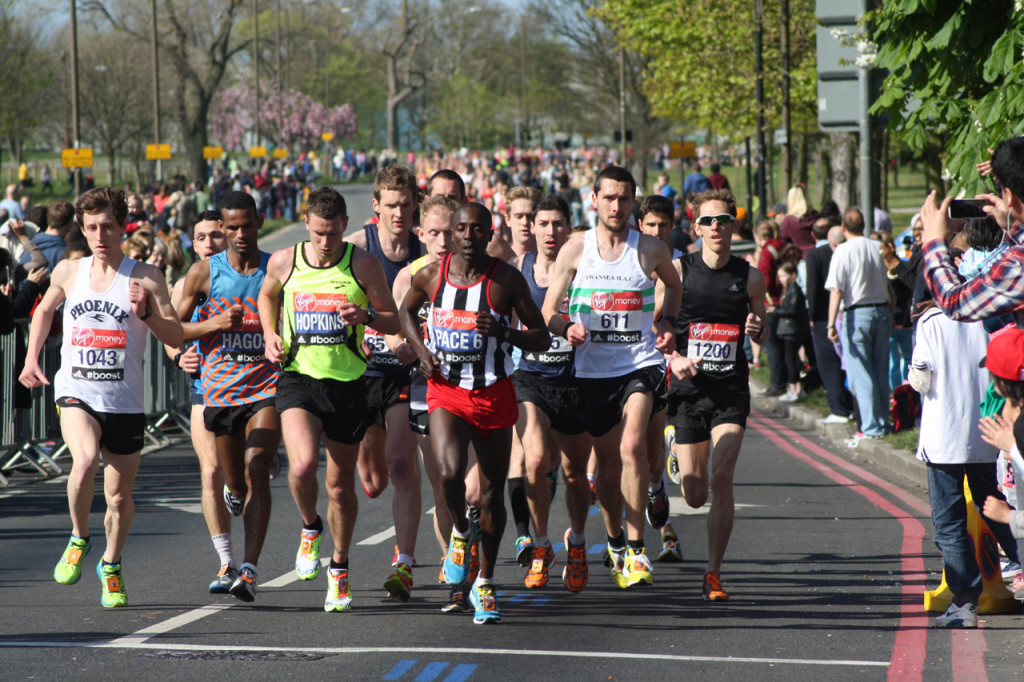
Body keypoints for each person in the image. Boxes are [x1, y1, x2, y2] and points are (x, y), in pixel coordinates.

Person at [19, 186, 183, 607]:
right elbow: (43, 311)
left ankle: (110, 563)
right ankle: (79, 535)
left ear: (123, 226)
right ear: (82, 228)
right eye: (91, 227)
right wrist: (31, 359)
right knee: (85, 460)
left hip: (125, 401)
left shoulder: (145, 276)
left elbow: (171, 331)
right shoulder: (70, 272)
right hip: (77, 390)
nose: (99, 235)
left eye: (107, 225)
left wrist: (168, 340)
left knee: (118, 497)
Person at [399, 202, 550, 624]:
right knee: (448, 474)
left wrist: (503, 330)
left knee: (490, 494)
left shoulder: (506, 280)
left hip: (493, 392)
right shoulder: (431, 275)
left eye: (476, 230)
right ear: (451, 232)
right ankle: (461, 536)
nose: (468, 236)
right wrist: (421, 350)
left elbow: (540, 337)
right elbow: (405, 313)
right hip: (446, 391)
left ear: (488, 233)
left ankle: (484, 581)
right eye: (460, 229)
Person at [258, 186, 400, 612]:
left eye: (332, 235)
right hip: (299, 377)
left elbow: (393, 316)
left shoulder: (363, 264)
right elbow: (267, 295)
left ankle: (339, 566)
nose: (324, 244)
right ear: (307, 225)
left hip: (348, 382)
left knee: (339, 487)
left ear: (344, 227)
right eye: (318, 234)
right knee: (301, 466)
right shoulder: (286, 260)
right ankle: (309, 527)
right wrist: (269, 333)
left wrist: (367, 316)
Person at [542, 165, 681, 589]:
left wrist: (668, 322)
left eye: (624, 198)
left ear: (633, 202)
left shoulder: (651, 249)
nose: (617, 206)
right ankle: (616, 538)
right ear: (595, 200)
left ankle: (637, 552)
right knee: (605, 471)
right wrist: (566, 327)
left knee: (635, 445)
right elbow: (548, 311)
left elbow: (673, 286)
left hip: (638, 363)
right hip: (592, 371)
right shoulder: (575, 249)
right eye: (609, 198)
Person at [176, 191, 280, 602]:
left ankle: (249, 570)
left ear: (259, 223)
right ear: (222, 227)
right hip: (219, 391)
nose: (240, 234)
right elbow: (174, 327)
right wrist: (208, 328)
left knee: (258, 469)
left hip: (266, 386)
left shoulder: (277, 268)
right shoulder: (204, 274)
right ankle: (234, 495)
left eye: (247, 225)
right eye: (231, 227)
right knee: (234, 482)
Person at [666, 188, 769, 601]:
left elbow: (759, 322)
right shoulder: (677, 271)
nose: (716, 228)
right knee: (692, 495)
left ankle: (712, 573)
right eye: (708, 221)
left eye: (723, 221)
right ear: (696, 228)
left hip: (729, 389)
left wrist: (756, 331)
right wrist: (674, 356)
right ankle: (675, 446)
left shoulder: (750, 276)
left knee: (721, 478)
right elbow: (657, 327)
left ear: (733, 226)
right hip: (688, 389)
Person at [345, 164, 426, 597]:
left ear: (416, 206)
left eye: (406, 204)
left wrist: (415, 341)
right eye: (391, 205)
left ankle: (405, 562)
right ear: (375, 206)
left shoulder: (425, 251)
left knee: (400, 464)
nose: (399, 213)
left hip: (404, 374)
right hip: (360, 372)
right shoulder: (357, 249)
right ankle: (366, 461)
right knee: (373, 480)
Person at [510, 195, 592, 591]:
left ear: (568, 228)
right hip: (531, 378)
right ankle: (541, 546)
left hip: (576, 379)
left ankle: (575, 542)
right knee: (536, 457)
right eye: (543, 223)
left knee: (576, 474)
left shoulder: (585, 270)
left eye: (558, 224)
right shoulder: (517, 270)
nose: (549, 231)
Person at [164, 211, 233, 592]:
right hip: (205, 386)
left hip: (251, 389)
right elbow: (168, 330)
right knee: (210, 473)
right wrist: (178, 355)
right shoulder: (189, 280)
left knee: (244, 475)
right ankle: (226, 563)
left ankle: (241, 483)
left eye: (215, 236)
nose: (209, 243)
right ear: (194, 242)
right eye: (201, 237)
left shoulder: (253, 274)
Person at [826, 207, 893, 444]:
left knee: (861, 373)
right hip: (882, 310)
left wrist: (830, 323)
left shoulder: (842, 251)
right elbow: (889, 283)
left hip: (857, 314)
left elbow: (837, 289)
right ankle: (883, 421)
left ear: (843, 227)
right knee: (881, 369)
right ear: (863, 225)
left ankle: (871, 427)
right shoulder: (877, 246)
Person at [805, 222, 854, 423]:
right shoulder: (852, 251)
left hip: (826, 317)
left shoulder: (815, 255)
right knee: (848, 363)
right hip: (848, 313)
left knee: (829, 364)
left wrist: (812, 316)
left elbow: (813, 288)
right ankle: (853, 407)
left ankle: (838, 409)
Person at [775, 262, 810, 401]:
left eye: (783, 275)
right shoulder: (789, 289)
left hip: (792, 329)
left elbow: (792, 310)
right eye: (780, 276)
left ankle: (794, 389)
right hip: (790, 329)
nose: (781, 279)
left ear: (793, 275)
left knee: (789, 359)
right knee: (793, 359)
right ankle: (798, 389)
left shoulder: (794, 289)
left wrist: (776, 311)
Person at [779, 185, 821, 255]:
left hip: (800, 258)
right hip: (818, 254)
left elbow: (784, 242)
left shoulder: (789, 221)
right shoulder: (817, 217)